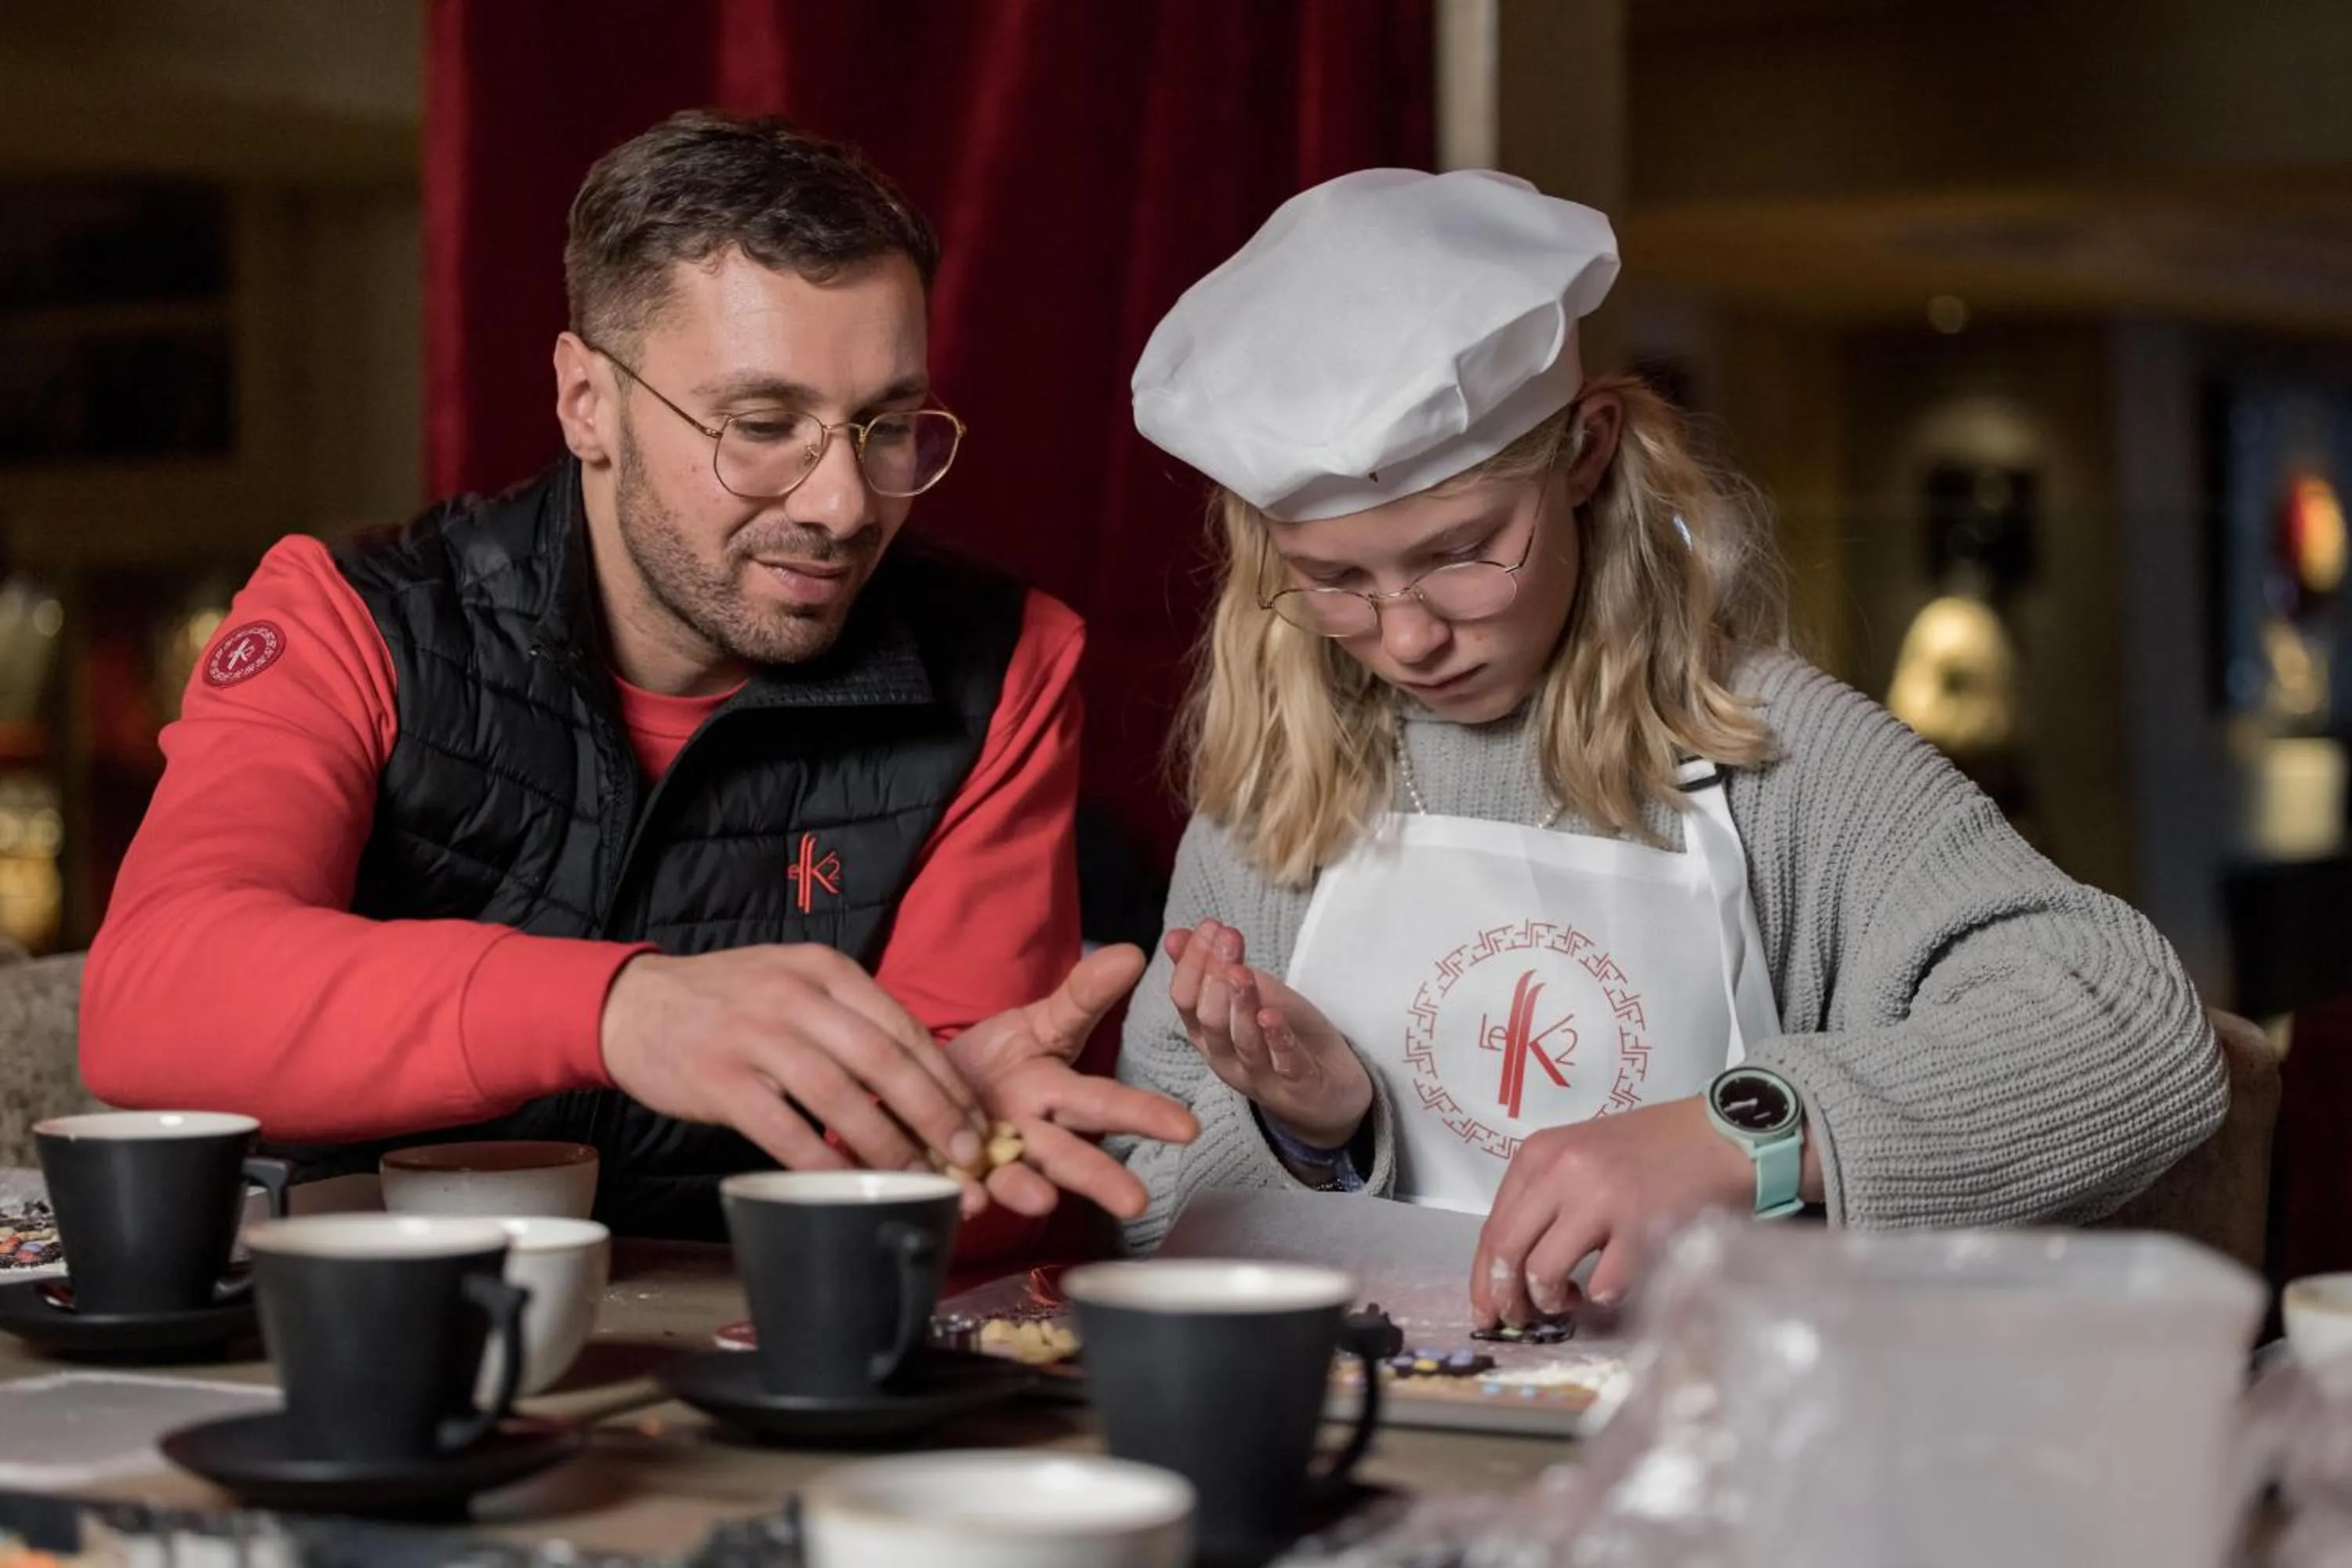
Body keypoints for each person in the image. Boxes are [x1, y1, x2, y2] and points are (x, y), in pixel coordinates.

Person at [1108, 168, 2223, 1326]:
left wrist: (1745, 1134)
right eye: (1335, 581)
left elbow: (2131, 1030)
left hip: (1711, 1450)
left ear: (1585, 452)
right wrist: (1312, 1136)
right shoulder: (1279, 789)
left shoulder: (1775, 752)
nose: (1405, 636)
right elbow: (1144, 1204)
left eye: (1462, 551)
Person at [80, 110, 1195, 1247]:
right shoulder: (348, 615)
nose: (843, 505)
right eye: (763, 424)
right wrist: (622, 1008)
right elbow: (152, 1004)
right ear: (587, 403)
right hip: (359, 1329)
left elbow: (944, 1184)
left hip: (743, 1354)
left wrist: (949, 1140)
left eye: (886, 425)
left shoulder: (1004, 660)